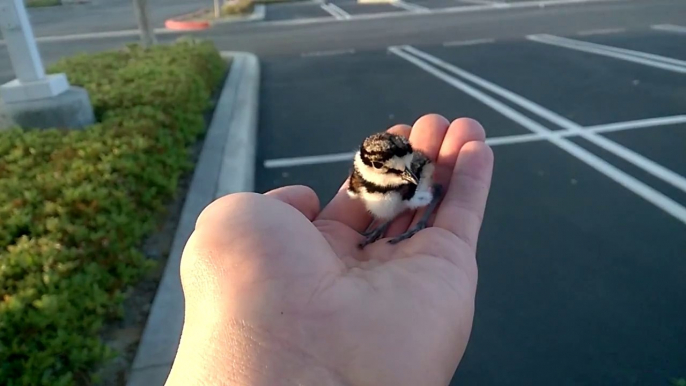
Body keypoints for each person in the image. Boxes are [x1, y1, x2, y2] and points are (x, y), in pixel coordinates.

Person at [165, 114, 494, 386]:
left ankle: (413, 220)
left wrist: (420, 222)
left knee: (414, 198)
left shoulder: (409, 174)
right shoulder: (366, 183)